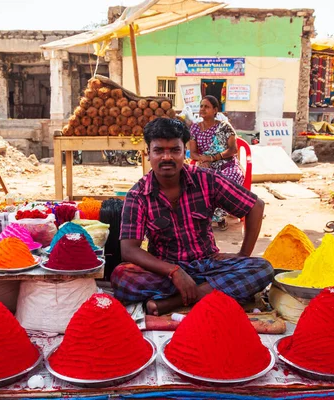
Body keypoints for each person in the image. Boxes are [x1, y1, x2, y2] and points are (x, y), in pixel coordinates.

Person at [111, 118, 272, 316]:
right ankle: (212, 291)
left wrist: (243, 255)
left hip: (209, 264)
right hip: (164, 271)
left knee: (262, 268)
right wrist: (174, 271)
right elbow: (129, 250)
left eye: (174, 150)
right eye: (159, 150)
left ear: (184, 151)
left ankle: (177, 300)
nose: (167, 157)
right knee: (121, 277)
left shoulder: (206, 179)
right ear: (148, 153)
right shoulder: (137, 195)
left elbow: (256, 206)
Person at [189, 95, 243, 230]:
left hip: (227, 164)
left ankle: (219, 216)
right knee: (195, 181)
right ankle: (204, 216)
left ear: (215, 110)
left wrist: (213, 158)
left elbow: (233, 149)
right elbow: (193, 152)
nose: (202, 109)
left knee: (230, 179)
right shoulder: (195, 128)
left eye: (206, 107)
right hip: (205, 165)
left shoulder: (224, 126)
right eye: (201, 106)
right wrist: (202, 159)